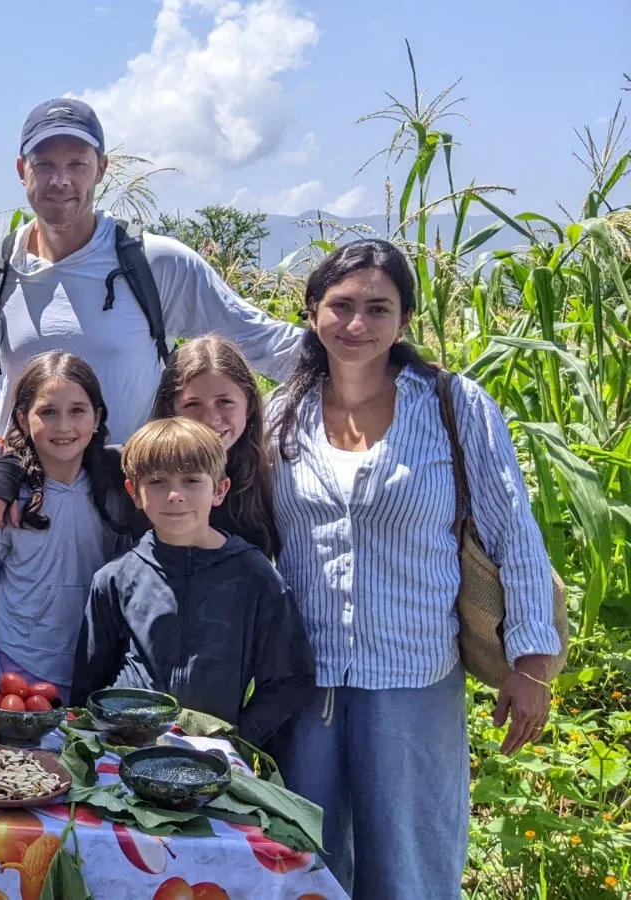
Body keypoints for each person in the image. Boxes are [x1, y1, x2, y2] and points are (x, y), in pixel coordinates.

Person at [267, 239, 558, 898]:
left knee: (410, 866)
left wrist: (532, 661)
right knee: (307, 864)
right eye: (340, 306)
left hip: (414, 674)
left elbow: (514, 528)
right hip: (306, 680)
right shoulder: (284, 414)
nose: (357, 324)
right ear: (313, 311)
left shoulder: (452, 406)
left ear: (404, 321)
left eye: (378, 308)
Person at [0, 96, 305, 447]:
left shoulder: (155, 263)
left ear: (101, 169)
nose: (60, 180)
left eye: (77, 164)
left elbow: (260, 340)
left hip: (131, 494)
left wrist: (351, 367)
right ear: (21, 171)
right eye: (44, 165)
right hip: (25, 495)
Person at [70, 417, 314, 745]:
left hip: (212, 758)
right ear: (134, 492)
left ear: (219, 489)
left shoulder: (254, 576)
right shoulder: (114, 579)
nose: (174, 495)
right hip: (126, 750)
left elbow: (289, 678)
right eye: (157, 481)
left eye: (191, 481)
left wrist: (238, 740)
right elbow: (89, 685)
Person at [0, 351, 136, 702]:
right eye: (48, 412)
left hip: (93, 673)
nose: (64, 426)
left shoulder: (116, 492)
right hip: (16, 675)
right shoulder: (2, 502)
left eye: (78, 411)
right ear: (22, 419)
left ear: (97, 417)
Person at [149, 335, 281, 558]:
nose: (210, 420)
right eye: (192, 404)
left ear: (248, 406)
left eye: (225, 402)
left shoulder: (274, 476)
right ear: (170, 409)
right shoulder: (146, 477)